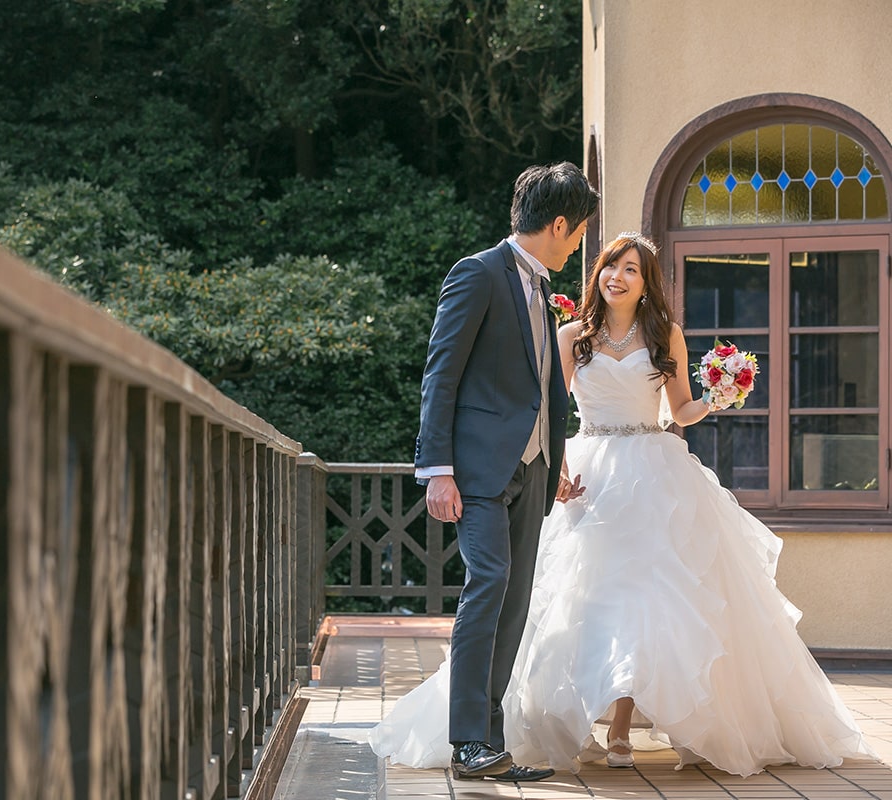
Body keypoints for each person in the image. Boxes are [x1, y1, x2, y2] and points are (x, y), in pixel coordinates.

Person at [370, 232, 878, 777]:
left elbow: (679, 410)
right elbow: (545, 412)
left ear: (646, 283)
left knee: (648, 597)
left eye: (632, 270)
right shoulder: (571, 336)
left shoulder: (668, 335)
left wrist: (716, 398)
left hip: (654, 469)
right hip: (588, 468)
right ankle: (557, 719)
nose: (617, 276)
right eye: (611, 265)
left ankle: (619, 728)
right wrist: (558, 469)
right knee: (582, 598)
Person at [410, 162, 599, 783]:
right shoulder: (477, 273)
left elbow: (544, 390)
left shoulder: (543, 289)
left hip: (535, 471)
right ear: (560, 223)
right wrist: (437, 469)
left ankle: (490, 741)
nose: (578, 247)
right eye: (578, 234)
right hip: (478, 473)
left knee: (514, 602)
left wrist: (556, 461)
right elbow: (441, 374)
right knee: (488, 584)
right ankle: (468, 741)